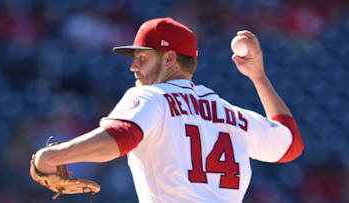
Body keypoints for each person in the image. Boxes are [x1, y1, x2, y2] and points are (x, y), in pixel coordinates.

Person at [32, 17, 304, 202]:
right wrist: (259, 77)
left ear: (170, 58)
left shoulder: (153, 97)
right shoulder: (233, 115)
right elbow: (291, 144)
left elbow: (121, 137)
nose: (133, 67)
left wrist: (52, 156)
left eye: (141, 58)